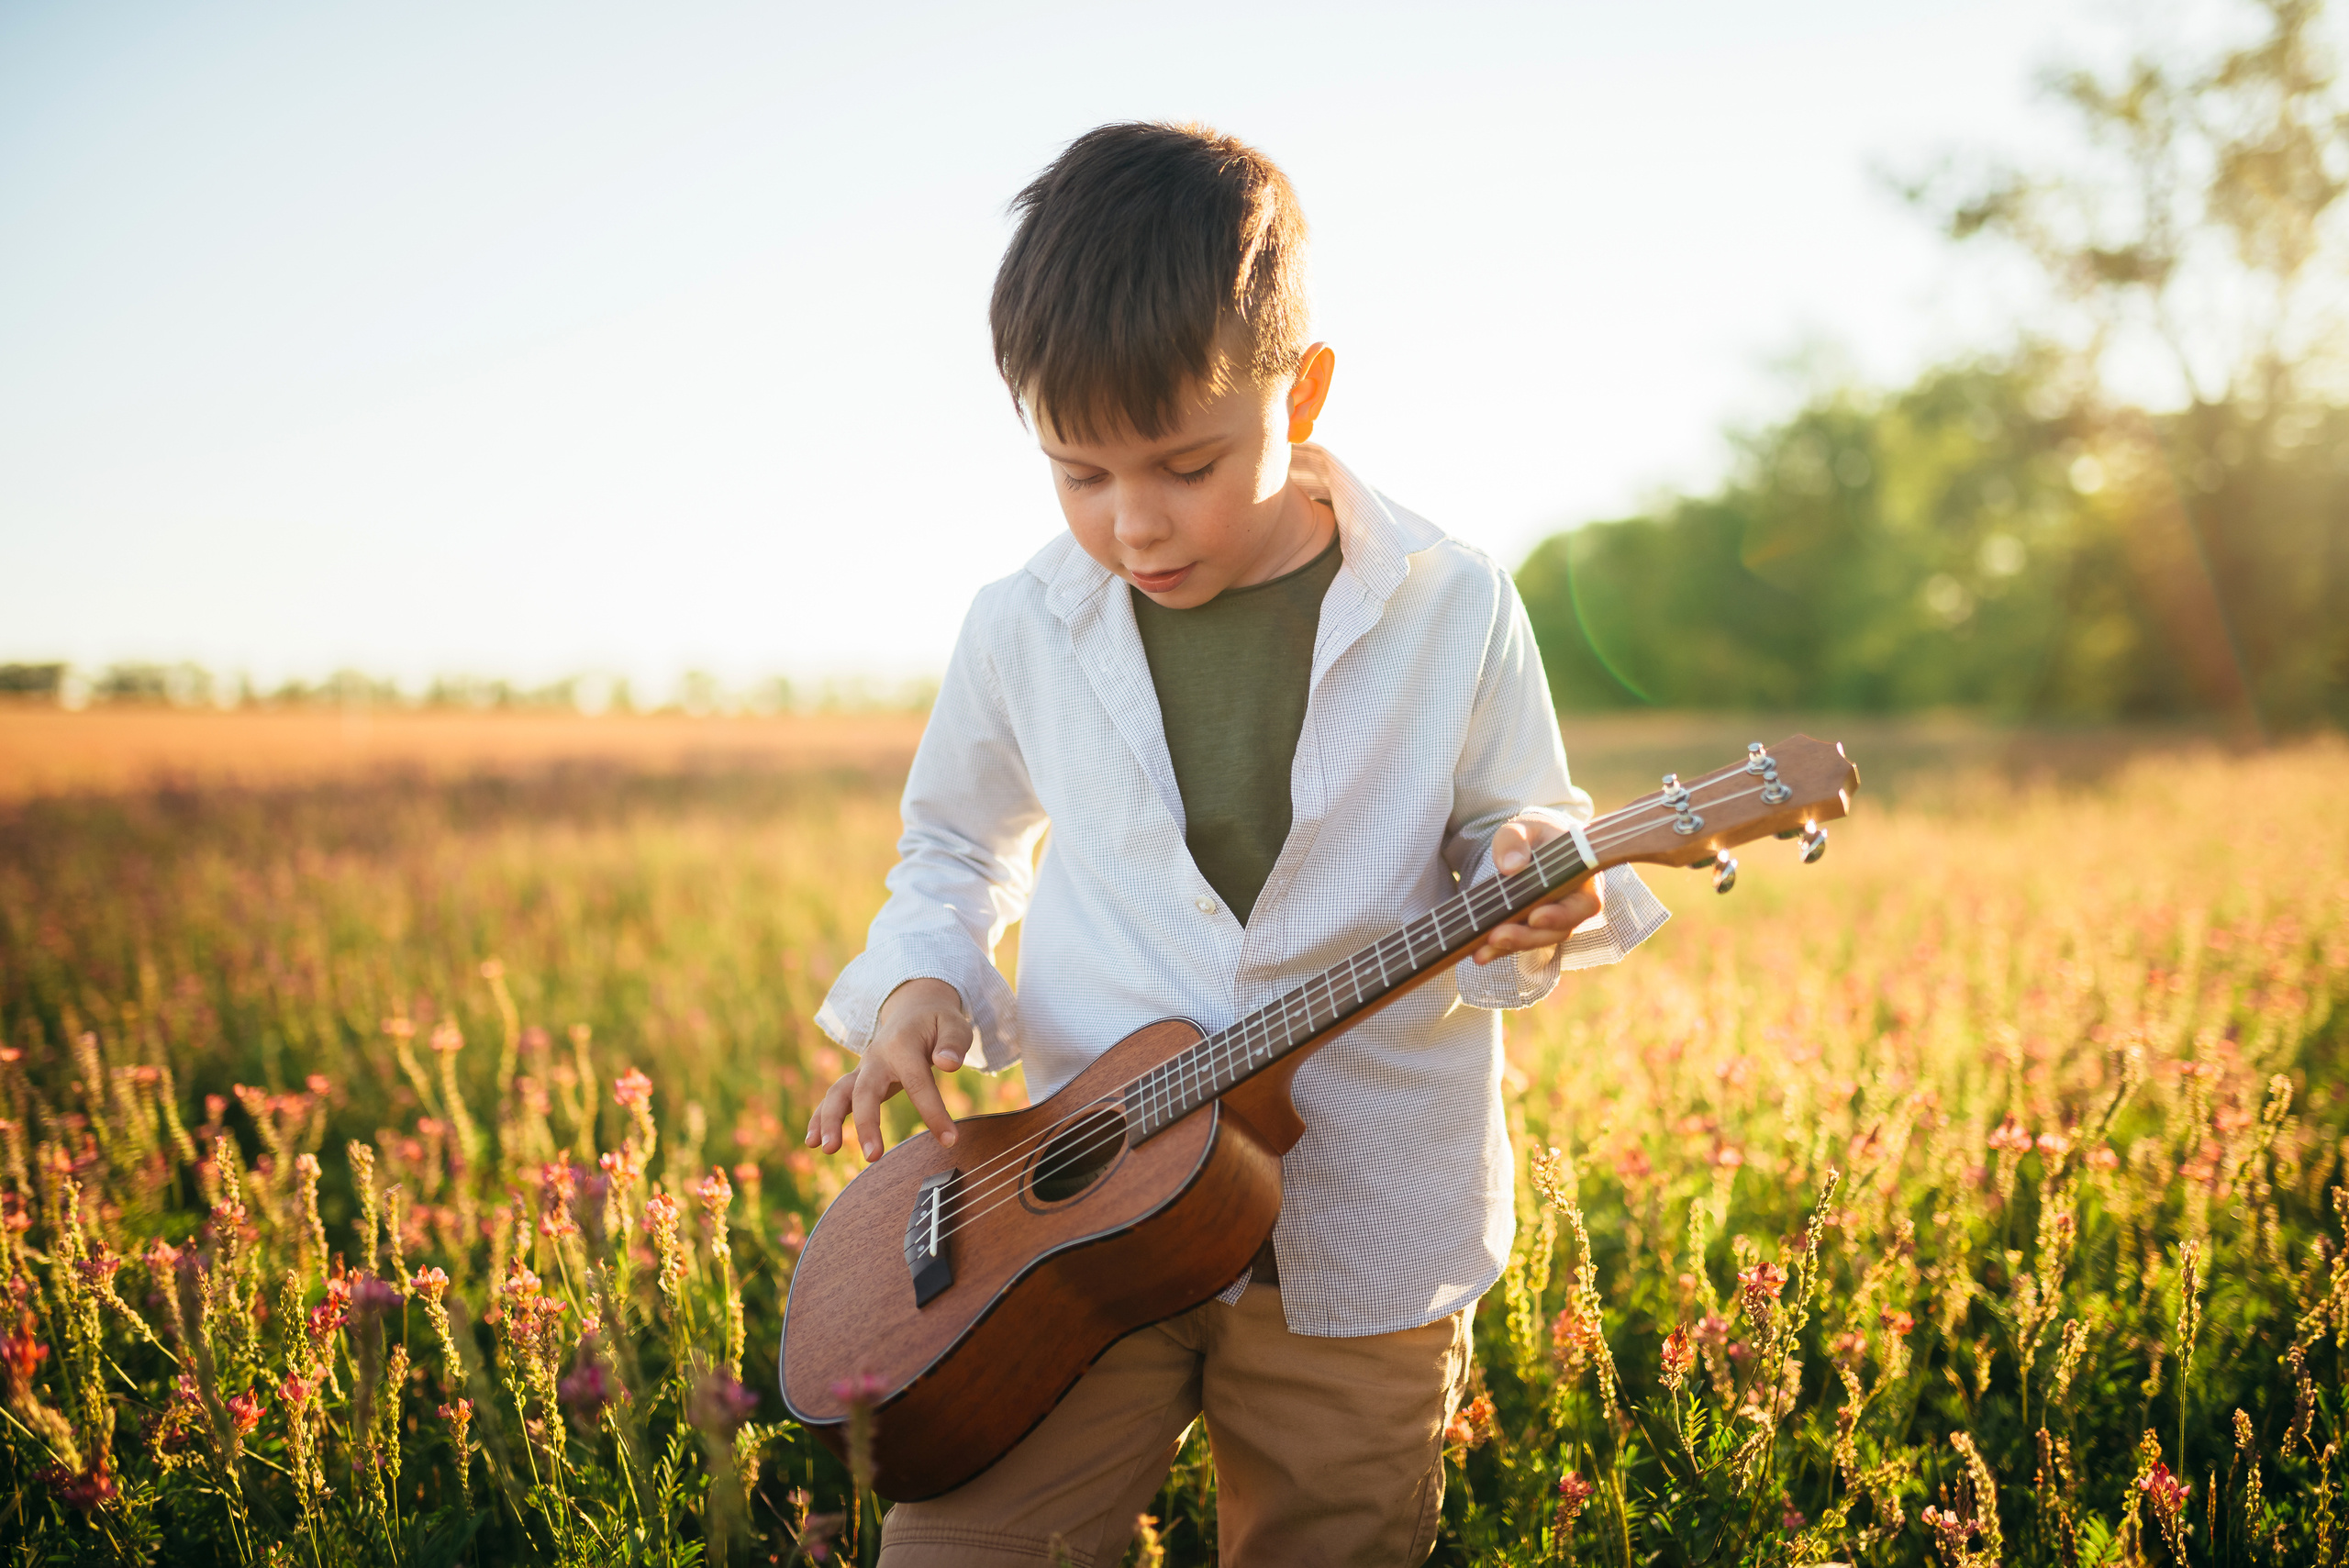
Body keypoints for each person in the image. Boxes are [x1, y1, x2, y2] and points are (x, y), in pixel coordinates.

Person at [801, 120, 1667, 1567]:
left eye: (1184, 463)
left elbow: (1520, 825)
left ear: (1305, 389)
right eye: (1078, 474)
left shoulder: (1455, 606)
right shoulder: (1022, 625)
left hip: (1366, 1229)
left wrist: (1527, 867)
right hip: (1069, 1234)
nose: (1134, 523)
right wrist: (919, 980)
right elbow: (952, 847)